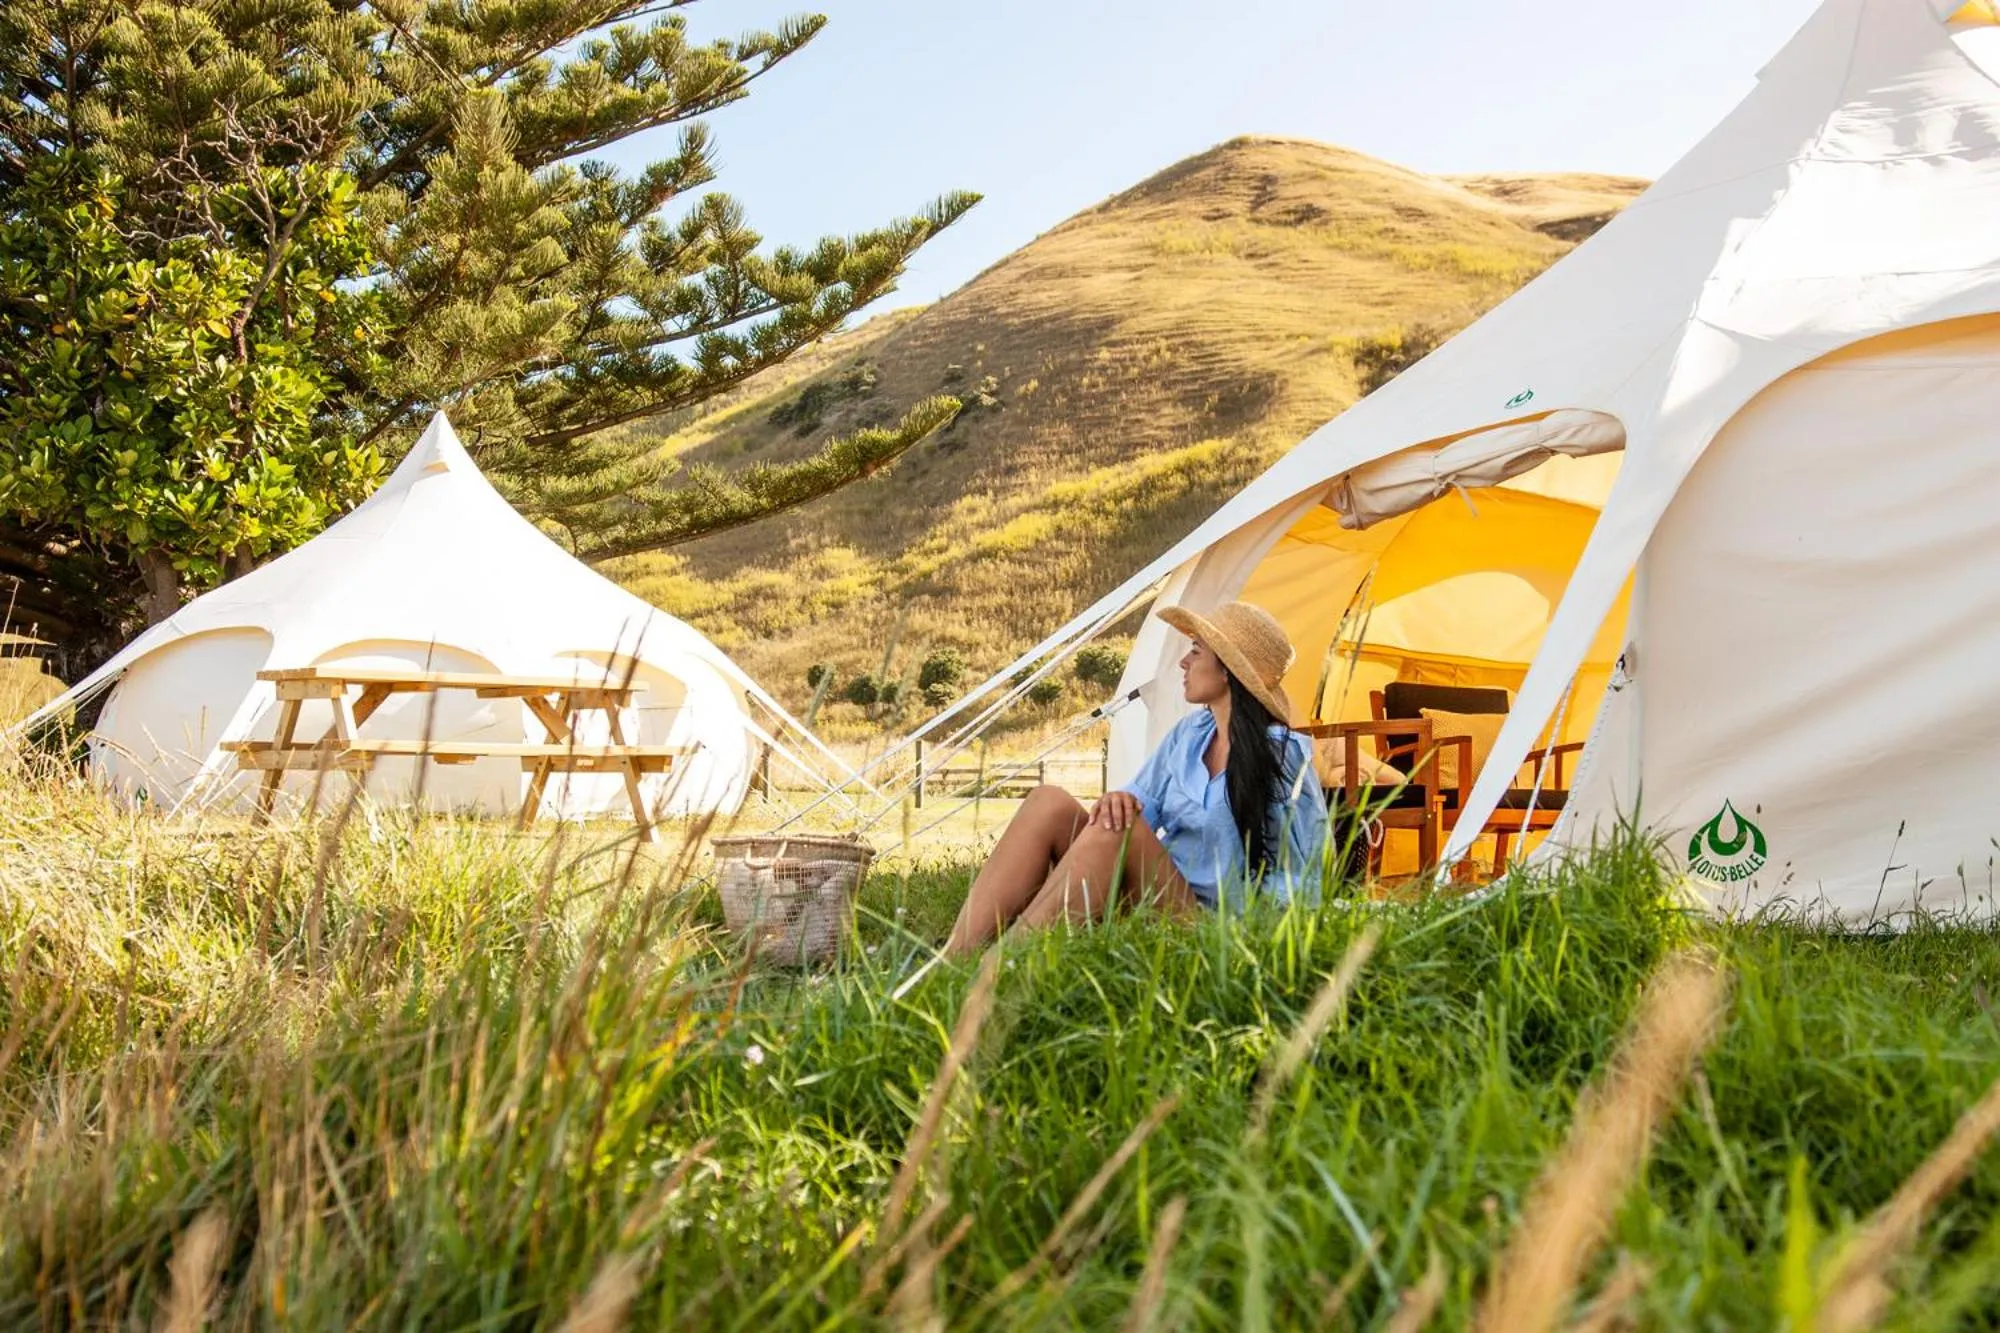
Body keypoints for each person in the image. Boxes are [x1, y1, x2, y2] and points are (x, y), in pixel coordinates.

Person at [945, 600, 1328, 956]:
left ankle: (1001, 968)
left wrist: (1252, 948)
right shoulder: (1190, 735)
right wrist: (1117, 798)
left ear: (1227, 669)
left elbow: (1302, 876)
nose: (1183, 662)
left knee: (1122, 827)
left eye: (1196, 650)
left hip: (1211, 931)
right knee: (1050, 801)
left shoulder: (1282, 756)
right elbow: (1134, 800)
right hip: (1153, 897)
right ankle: (953, 958)